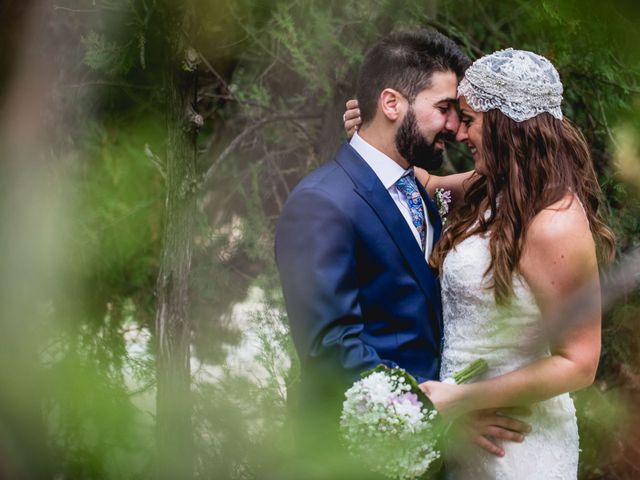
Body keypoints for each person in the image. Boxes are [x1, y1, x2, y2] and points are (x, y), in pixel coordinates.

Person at [343, 48, 615, 479]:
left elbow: (579, 362)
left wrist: (462, 399)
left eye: (469, 120)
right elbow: (426, 185)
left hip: (517, 443)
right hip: (464, 431)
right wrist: (376, 128)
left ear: (507, 126)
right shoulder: (489, 188)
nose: (460, 133)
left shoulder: (556, 223)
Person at [275, 31, 529, 476]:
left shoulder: (419, 189)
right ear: (392, 104)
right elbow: (332, 350)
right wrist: (437, 419)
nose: (454, 126)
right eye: (444, 109)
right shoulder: (322, 201)